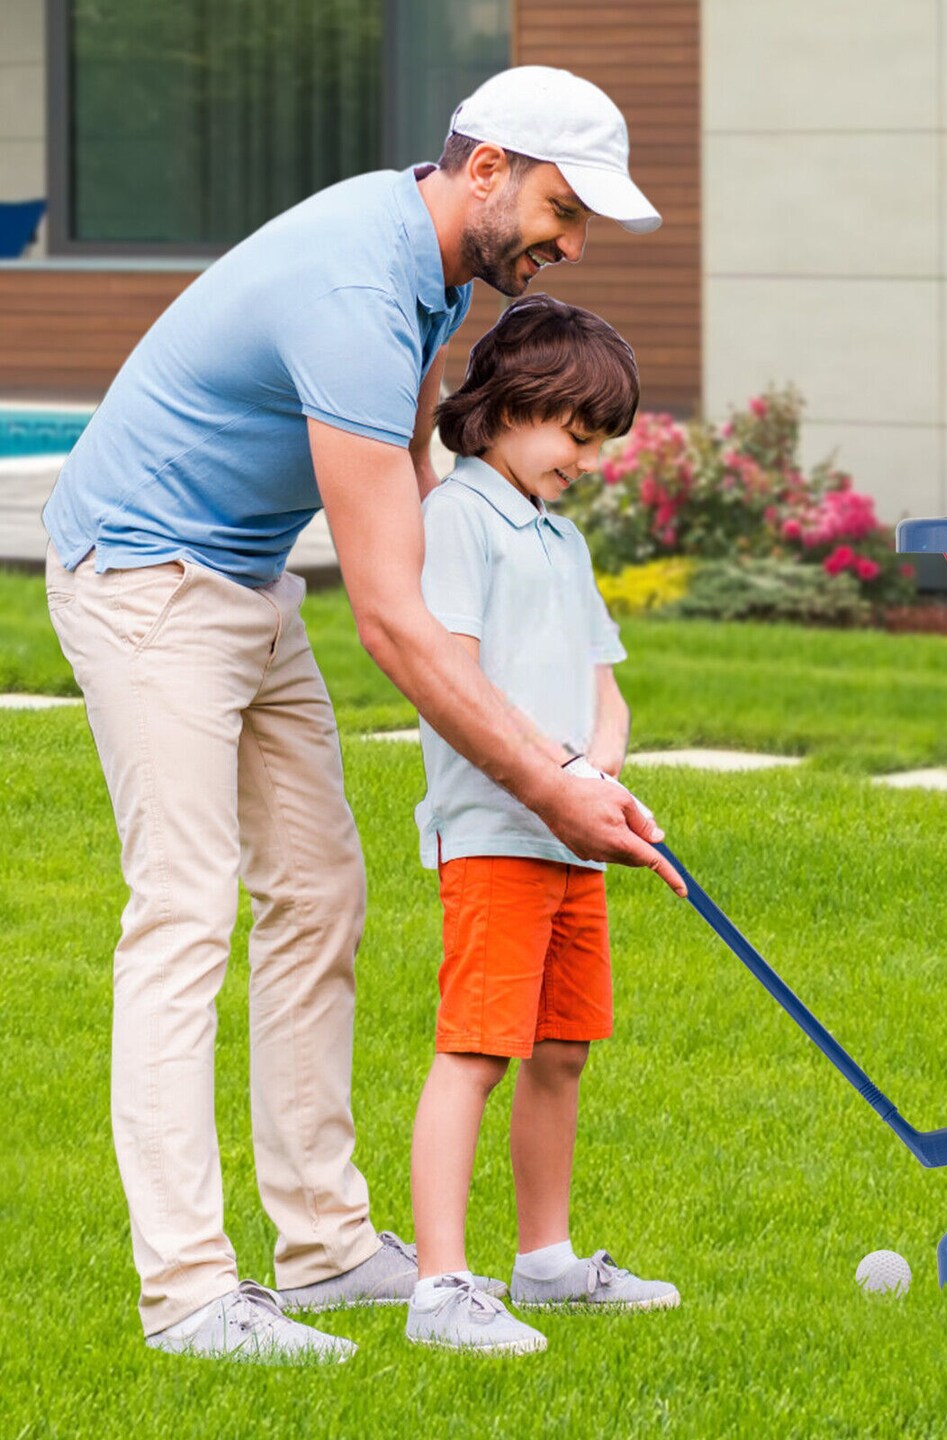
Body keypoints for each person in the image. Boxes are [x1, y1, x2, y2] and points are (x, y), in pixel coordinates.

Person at [42, 64, 684, 1364]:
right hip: (144, 572)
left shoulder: (435, 267)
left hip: (241, 573)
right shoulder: (356, 278)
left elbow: (399, 457)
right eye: (565, 209)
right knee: (183, 906)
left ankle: (328, 1247)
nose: (570, 246)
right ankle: (186, 1295)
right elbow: (391, 620)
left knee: (321, 886)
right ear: (489, 166)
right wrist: (553, 784)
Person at [402, 295, 678, 1356]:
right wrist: (558, 771)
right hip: (492, 836)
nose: (588, 457)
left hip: (573, 839)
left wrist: (600, 760)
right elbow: (454, 676)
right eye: (576, 431)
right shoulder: (459, 521)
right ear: (510, 407)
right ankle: (440, 1288)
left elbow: (608, 685)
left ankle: (545, 1262)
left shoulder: (560, 541)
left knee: (561, 1049)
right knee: (477, 1051)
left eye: (601, 440)